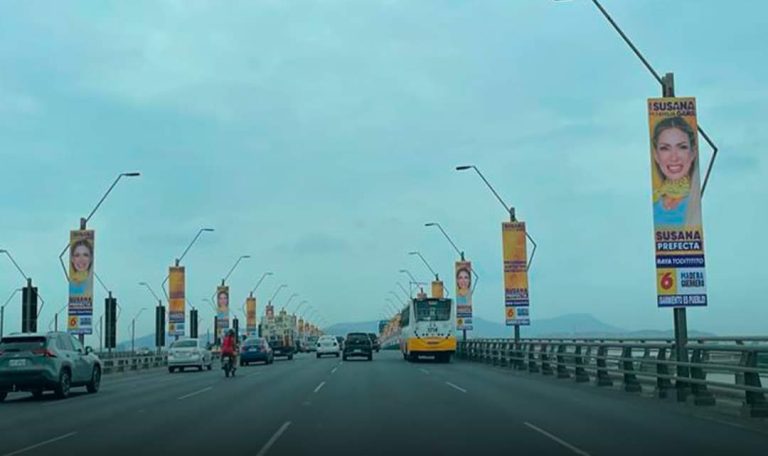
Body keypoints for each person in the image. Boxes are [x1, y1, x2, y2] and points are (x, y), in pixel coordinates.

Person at [651, 116, 702, 227]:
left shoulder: (697, 203)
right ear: (656, 155)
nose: (674, 157)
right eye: (665, 148)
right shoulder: (653, 203)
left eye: (682, 147)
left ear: (693, 153)